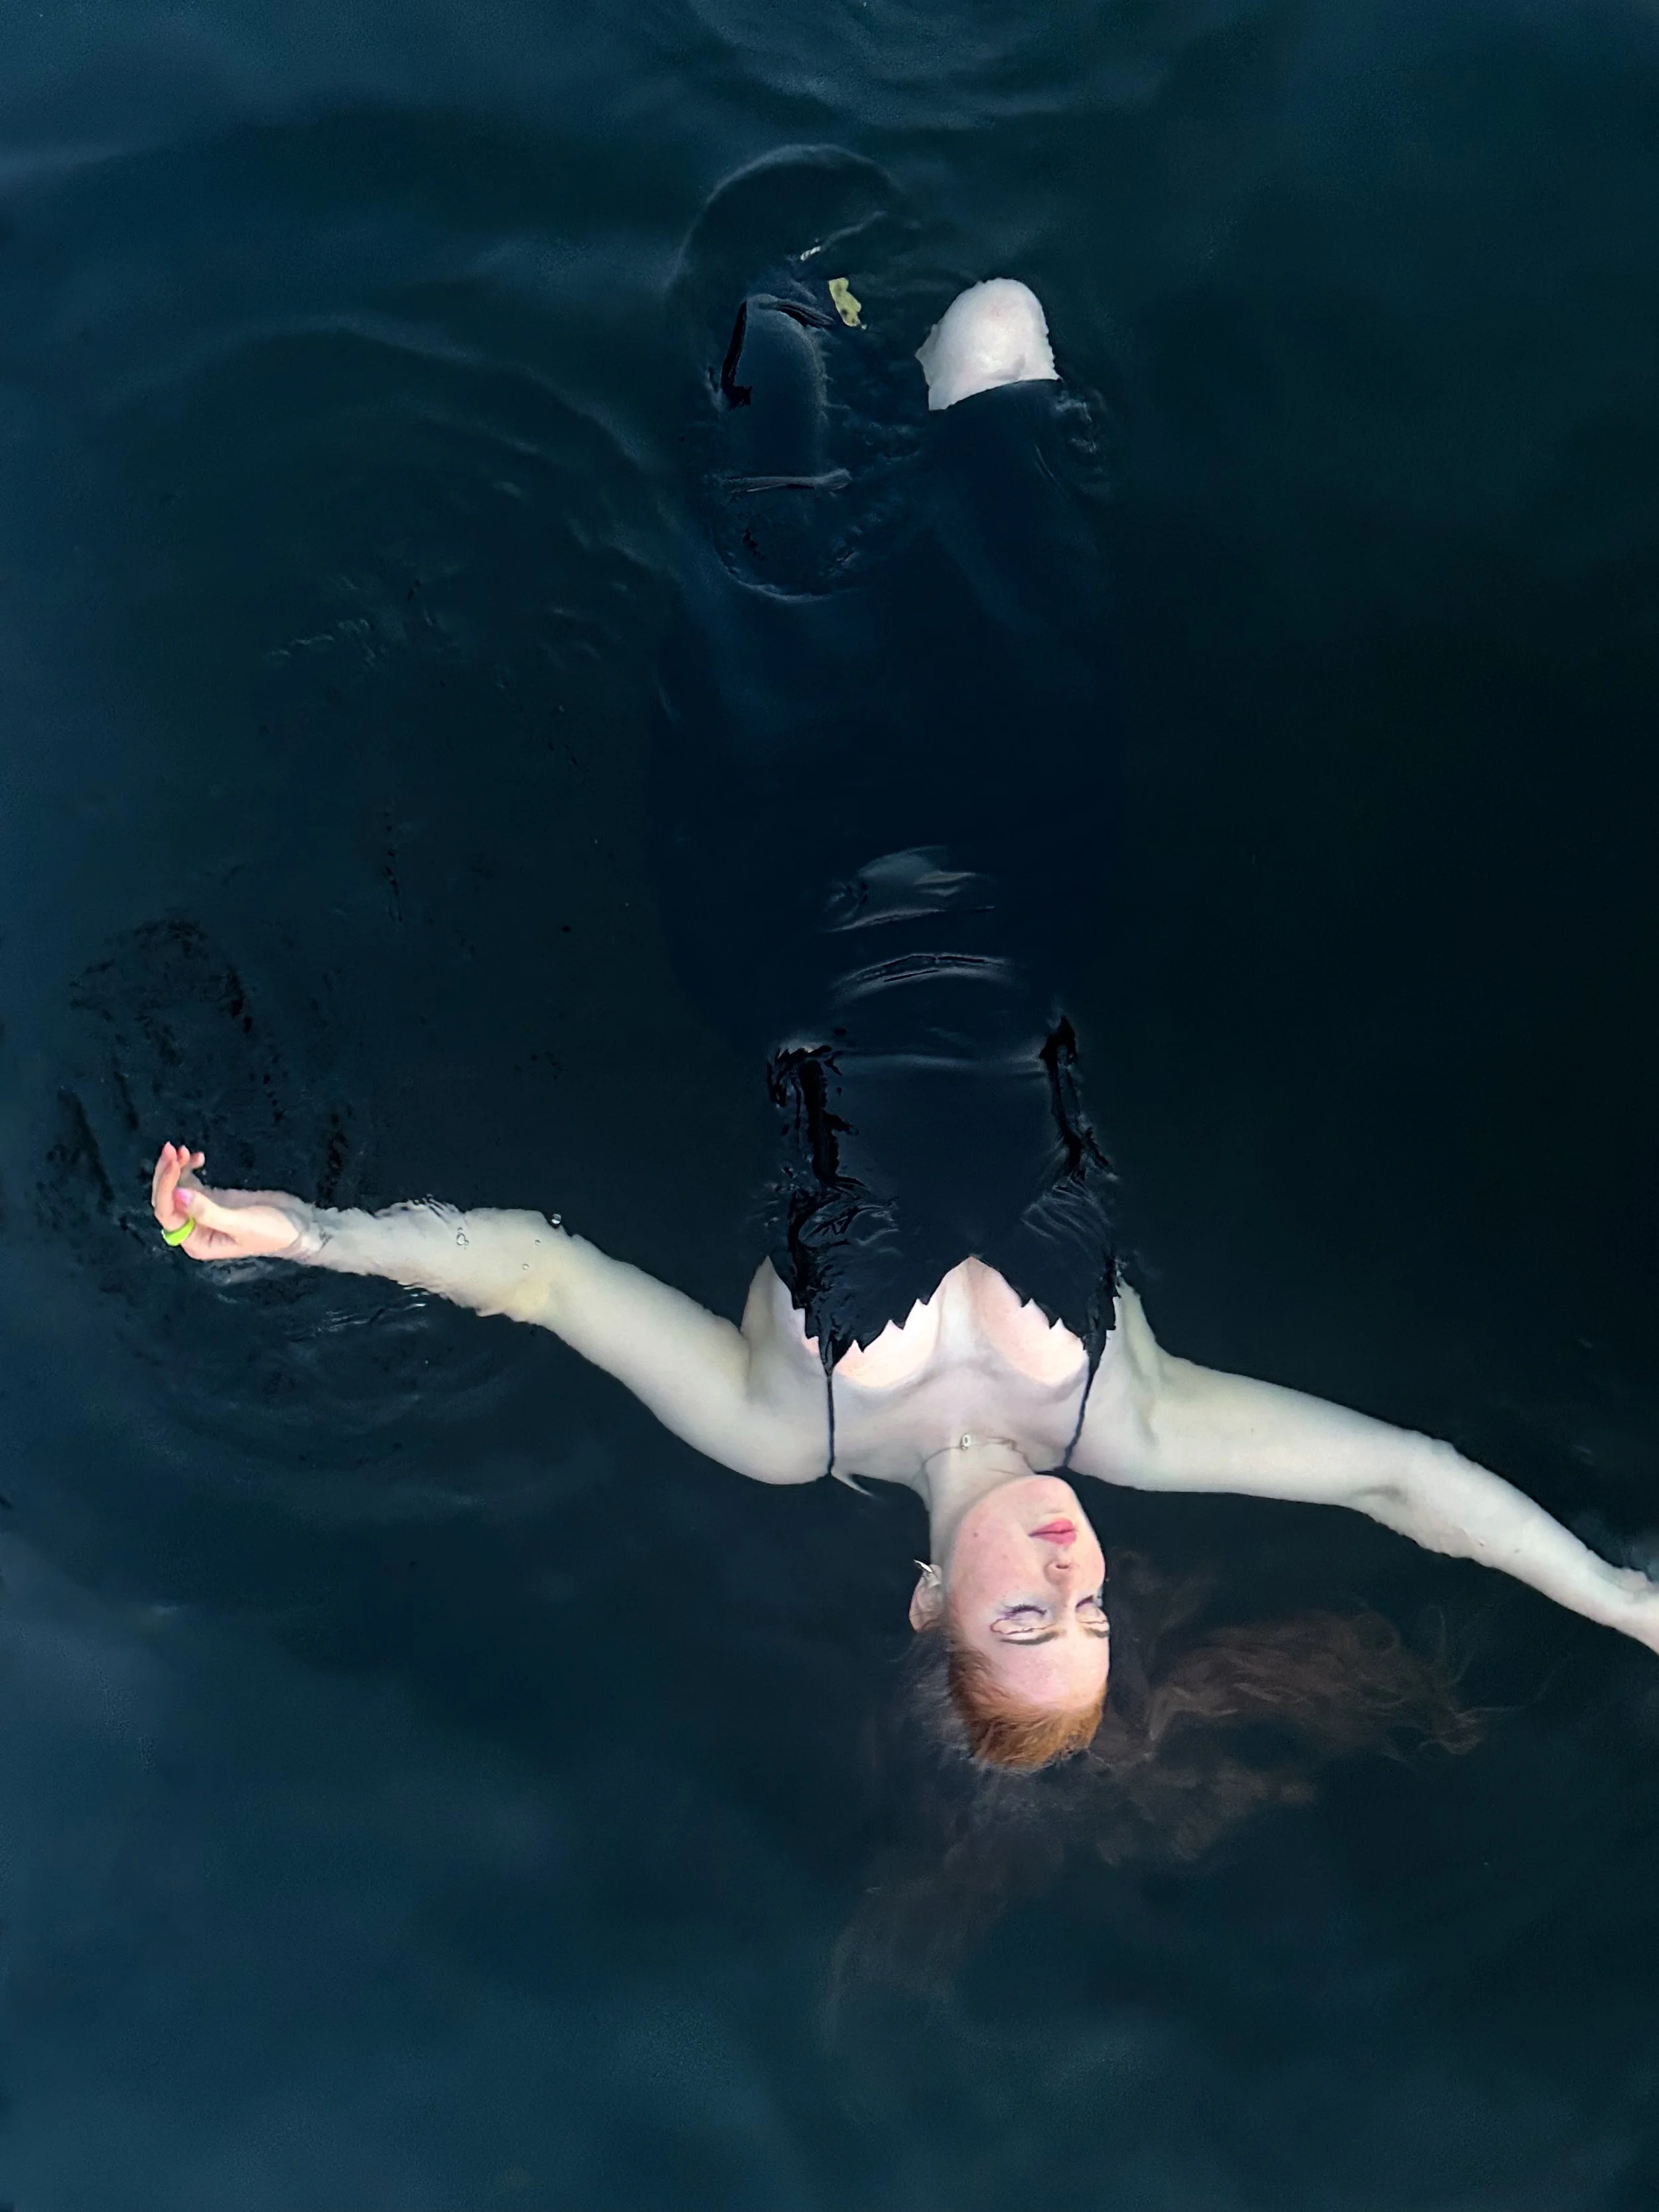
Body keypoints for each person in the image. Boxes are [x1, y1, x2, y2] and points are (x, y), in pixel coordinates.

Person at [147, 271, 1659, 1773]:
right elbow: (1401, 1480)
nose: (1073, 1577)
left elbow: (544, 1279)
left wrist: (317, 1235)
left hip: (774, 901)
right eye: (1095, 1617)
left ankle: (805, 332)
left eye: (1025, 1620)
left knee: (773, 337)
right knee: (1001, 329)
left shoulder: (782, 1424)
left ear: (929, 1600)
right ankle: (920, 363)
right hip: (1019, 885)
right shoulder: (1128, 1419)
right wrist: (1614, 1598)